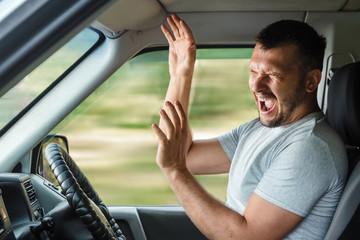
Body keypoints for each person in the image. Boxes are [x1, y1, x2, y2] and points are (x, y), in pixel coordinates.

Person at [152, 14, 348, 239]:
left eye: (273, 75)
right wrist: (180, 75)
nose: (256, 85)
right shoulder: (260, 129)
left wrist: (174, 172)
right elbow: (186, 156)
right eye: (253, 71)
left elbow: (245, 237)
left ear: (311, 81)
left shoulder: (312, 147)